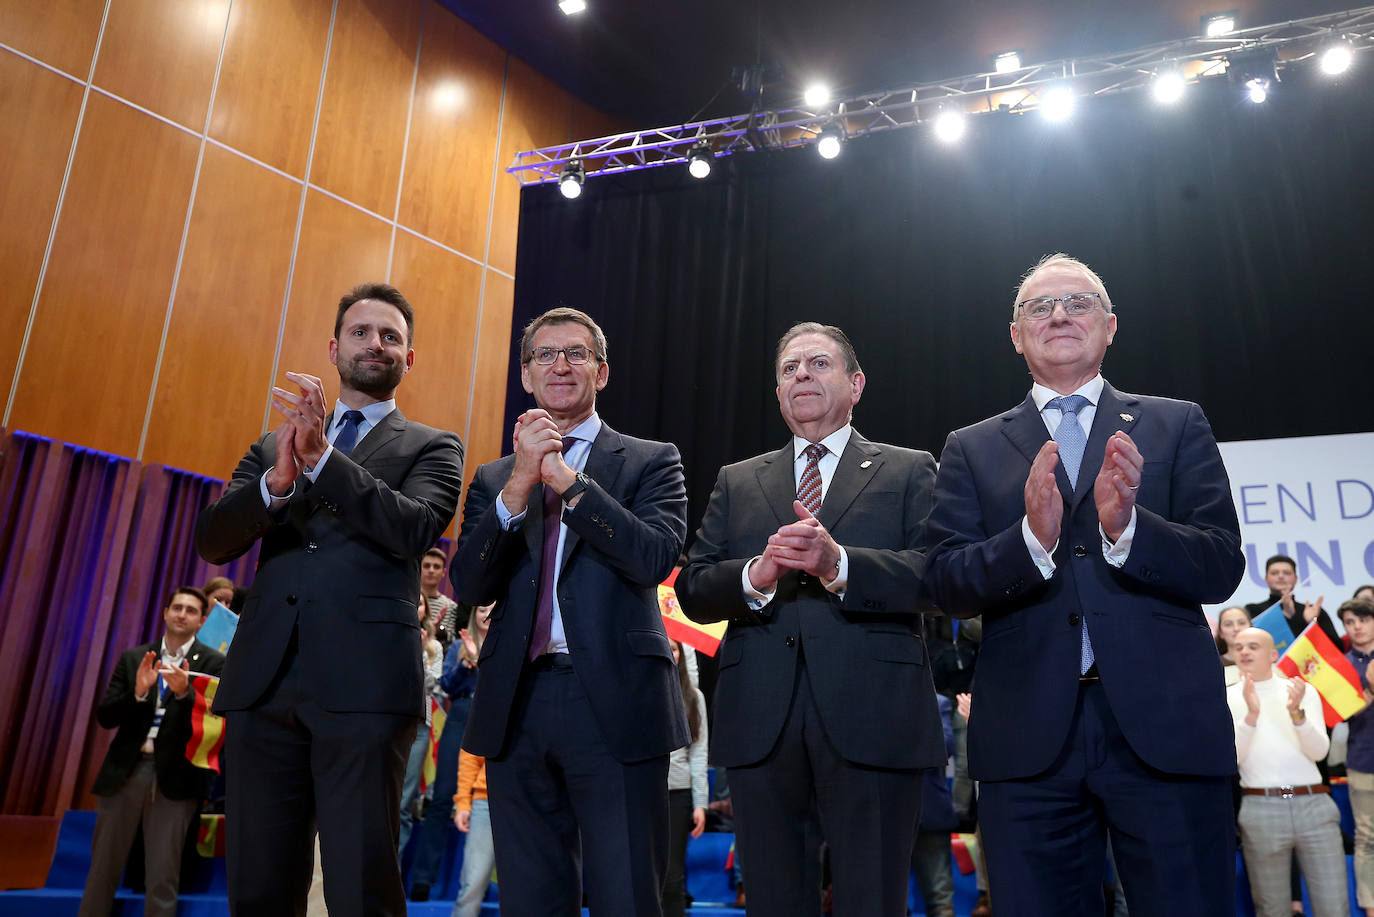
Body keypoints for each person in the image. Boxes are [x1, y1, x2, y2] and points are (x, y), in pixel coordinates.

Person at [924, 253, 1245, 916]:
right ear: (1016, 335)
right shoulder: (971, 446)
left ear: (1110, 326)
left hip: (1165, 727)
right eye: (1040, 306)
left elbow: (1220, 564)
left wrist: (1129, 528)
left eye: (1078, 302)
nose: (1060, 314)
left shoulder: (1176, 422)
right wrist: (1029, 542)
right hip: (1026, 737)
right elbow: (944, 581)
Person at [194, 282, 465, 917]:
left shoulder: (433, 445)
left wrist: (321, 461)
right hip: (264, 681)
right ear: (334, 347)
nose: (376, 343)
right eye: (361, 332)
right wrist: (280, 481)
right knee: (259, 886)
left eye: (391, 336)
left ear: (409, 357)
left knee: (361, 883)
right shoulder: (271, 446)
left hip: (367, 688)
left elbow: (414, 527)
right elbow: (212, 540)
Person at [676, 321, 944, 917]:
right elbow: (693, 588)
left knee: (872, 899)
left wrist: (839, 563)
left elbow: (937, 576)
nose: (802, 375)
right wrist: (756, 575)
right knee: (771, 901)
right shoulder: (738, 479)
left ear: (856, 384)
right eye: (790, 368)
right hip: (761, 717)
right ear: (777, 392)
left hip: (876, 714)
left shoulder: (908, 469)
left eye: (818, 364)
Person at [451, 306, 688, 916]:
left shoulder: (650, 459)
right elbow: (470, 579)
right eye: (545, 356)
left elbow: (655, 557)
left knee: (627, 895)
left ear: (601, 372)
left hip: (614, 697)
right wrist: (519, 486)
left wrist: (565, 479)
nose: (561, 365)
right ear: (525, 377)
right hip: (516, 700)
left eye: (576, 353)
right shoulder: (494, 477)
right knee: (530, 900)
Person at [79, 587, 226, 917]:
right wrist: (139, 693)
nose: (181, 614)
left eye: (190, 610)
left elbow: (217, 721)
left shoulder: (214, 662)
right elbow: (106, 716)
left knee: (162, 875)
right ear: (164, 612)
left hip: (177, 779)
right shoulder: (135, 657)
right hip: (126, 773)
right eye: (176, 607)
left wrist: (186, 693)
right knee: (102, 871)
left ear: (202, 621)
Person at [1227, 626, 1349, 917]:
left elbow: (1319, 752)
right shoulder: (1228, 697)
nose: (1244, 652)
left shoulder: (1301, 691)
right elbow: (1233, 759)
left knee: (1334, 906)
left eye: (1253, 646)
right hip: (1260, 807)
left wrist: (1297, 716)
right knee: (1271, 908)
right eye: (1240, 647)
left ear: (1273, 655)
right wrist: (1252, 717)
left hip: (1314, 806)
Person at [408, 602, 491, 901]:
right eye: (481, 611)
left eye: (491, 610)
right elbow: (446, 684)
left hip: (494, 717)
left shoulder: (506, 643)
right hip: (461, 713)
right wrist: (466, 663)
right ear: (473, 615)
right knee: (442, 797)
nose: (486, 615)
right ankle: (422, 879)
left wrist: (483, 661)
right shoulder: (458, 645)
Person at [663, 639, 709, 917]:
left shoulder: (693, 697)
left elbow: (699, 753)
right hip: (640, 792)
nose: (671, 653)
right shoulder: (636, 690)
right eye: (665, 647)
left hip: (677, 793)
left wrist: (700, 802)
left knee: (672, 877)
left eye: (676, 648)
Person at [398, 593, 445, 855]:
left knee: (404, 802)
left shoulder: (434, 647)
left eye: (419, 603)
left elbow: (432, 685)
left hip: (419, 724)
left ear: (425, 610)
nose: (415, 607)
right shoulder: (388, 637)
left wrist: (422, 654)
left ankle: (394, 871)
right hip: (386, 722)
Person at [1342, 598, 1374, 917]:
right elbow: (1339, 715)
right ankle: (1370, 907)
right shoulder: (1341, 666)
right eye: (1350, 622)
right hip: (1364, 760)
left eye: (1363, 619)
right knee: (1367, 838)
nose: (1357, 627)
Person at [1245, 554, 1339, 649]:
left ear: (1296, 579)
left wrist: (1312, 623)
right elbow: (1250, 644)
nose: (1281, 576)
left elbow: (1337, 647)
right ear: (1266, 579)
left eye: (1286, 573)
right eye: (1274, 573)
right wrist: (1285, 616)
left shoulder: (1313, 611)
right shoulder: (1253, 610)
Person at [450, 749, 494, 917]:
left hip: (534, 804)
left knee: (529, 889)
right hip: (487, 800)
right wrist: (463, 801)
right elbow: (471, 754)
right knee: (472, 886)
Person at [421, 548, 461, 648]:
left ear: (443, 572)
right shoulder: (410, 602)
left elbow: (451, 642)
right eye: (426, 566)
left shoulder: (451, 606)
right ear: (419, 568)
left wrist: (440, 631)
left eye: (436, 567)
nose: (431, 570)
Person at [1217, 605, 1250, 685]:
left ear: (1251, 627)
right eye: (1228, 624)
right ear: (1221, 632)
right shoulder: (1214, 665)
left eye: (1241, 623)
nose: (1236, 628)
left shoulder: (1265, 660)